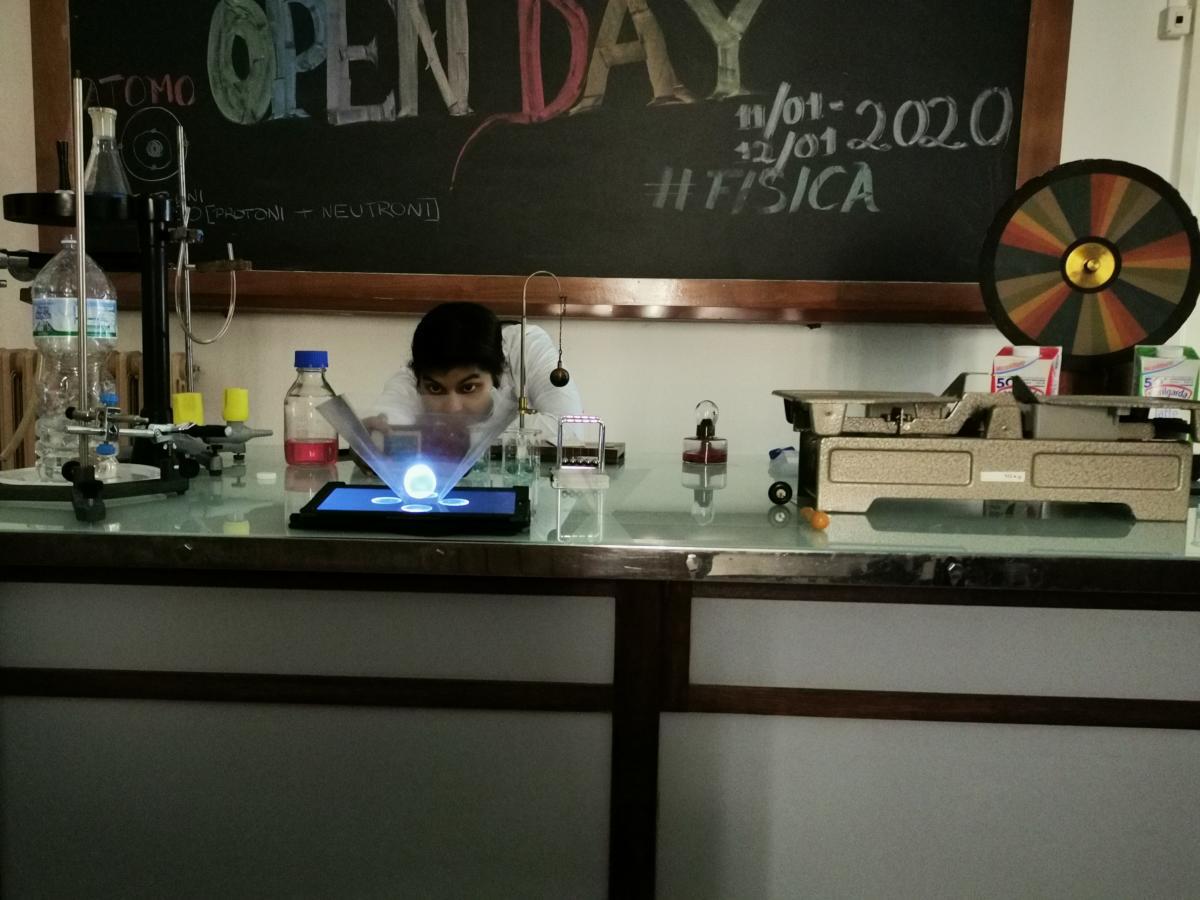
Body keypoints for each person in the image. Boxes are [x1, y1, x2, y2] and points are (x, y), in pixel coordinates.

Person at [366, 301, 582, 441]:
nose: (452, 408)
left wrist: (467, 437)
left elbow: (569, 429)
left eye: (468, 387)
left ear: (498, 375)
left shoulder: (525, 345)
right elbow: (387, 422)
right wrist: (375, 438)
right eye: (436, 389)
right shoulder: (414, 373)